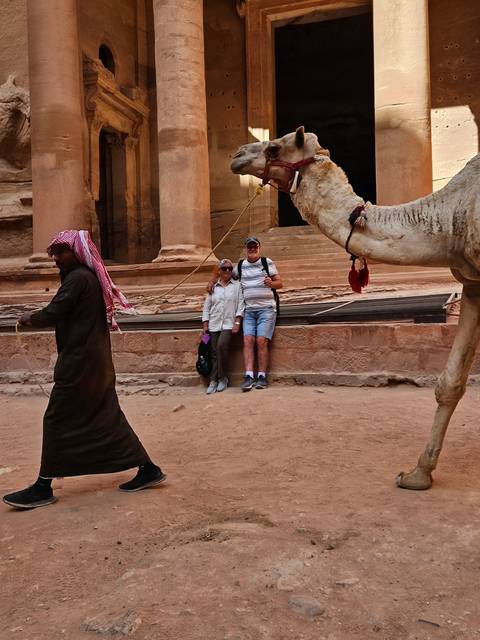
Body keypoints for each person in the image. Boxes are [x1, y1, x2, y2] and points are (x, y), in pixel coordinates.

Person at [3, 230, 166, 510]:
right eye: (54, 252)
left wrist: (30, 318)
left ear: (75, 253)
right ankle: (148, 469)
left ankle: (43, 486)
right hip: (93, 363)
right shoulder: (83, 278)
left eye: (60, 252)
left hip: (81, 364)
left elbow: (57, 310)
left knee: (57, 418)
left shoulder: (78, 279)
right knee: (107, 418)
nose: (55, 258)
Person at [236, 237, 282, 391]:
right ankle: (249, 375)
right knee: (248, 340)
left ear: (259, 248)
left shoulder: (266, 262)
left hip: (266, 309)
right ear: (246, 249)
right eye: (249, 247)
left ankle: (261, 376)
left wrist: (271, 283)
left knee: (261, 341)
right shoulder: (241, 265)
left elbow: (280, 283)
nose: (252, 249)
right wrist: (212, 280)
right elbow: (225, 271)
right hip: (249, 310)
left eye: (254, 246)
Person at [202, 258, 244, 394]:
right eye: (224, 268)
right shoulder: (213, 287)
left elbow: (241, 305)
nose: (227, 271)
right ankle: (214, 380)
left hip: (228, 323)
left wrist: (237, 322)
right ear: (219, 271)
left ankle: (222, 378)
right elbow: (207, 306)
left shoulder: (237, 285)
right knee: (214, 352)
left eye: (230, 269)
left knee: (221, 346)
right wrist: (205, 324)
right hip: (214, 323)